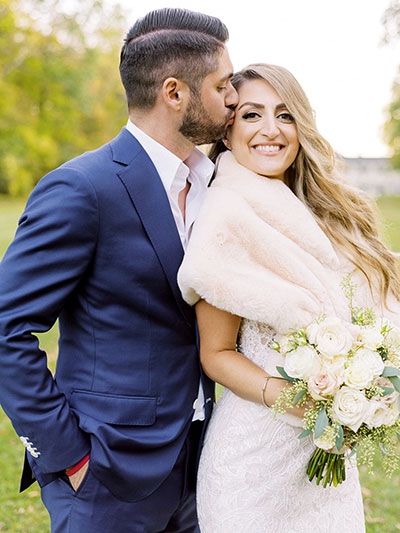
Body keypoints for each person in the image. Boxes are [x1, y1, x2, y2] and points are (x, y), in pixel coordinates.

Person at [0, 8, 238, 532]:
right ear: (174, 93)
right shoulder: (82, 188)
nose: (234, 98)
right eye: (223, 85)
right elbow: (6, 329)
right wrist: (69, 457)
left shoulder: (218, 186)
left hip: (202, 468)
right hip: (105, 477)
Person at [178, 63, 400, 532]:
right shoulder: (227, 216)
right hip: (253, 462)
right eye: (252, 115)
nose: (270, 130)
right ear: (228, 129)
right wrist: (302, 401)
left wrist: (363, 387)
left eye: (285, 115)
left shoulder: (329, 212)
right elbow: (215, 355)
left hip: (327, 460)